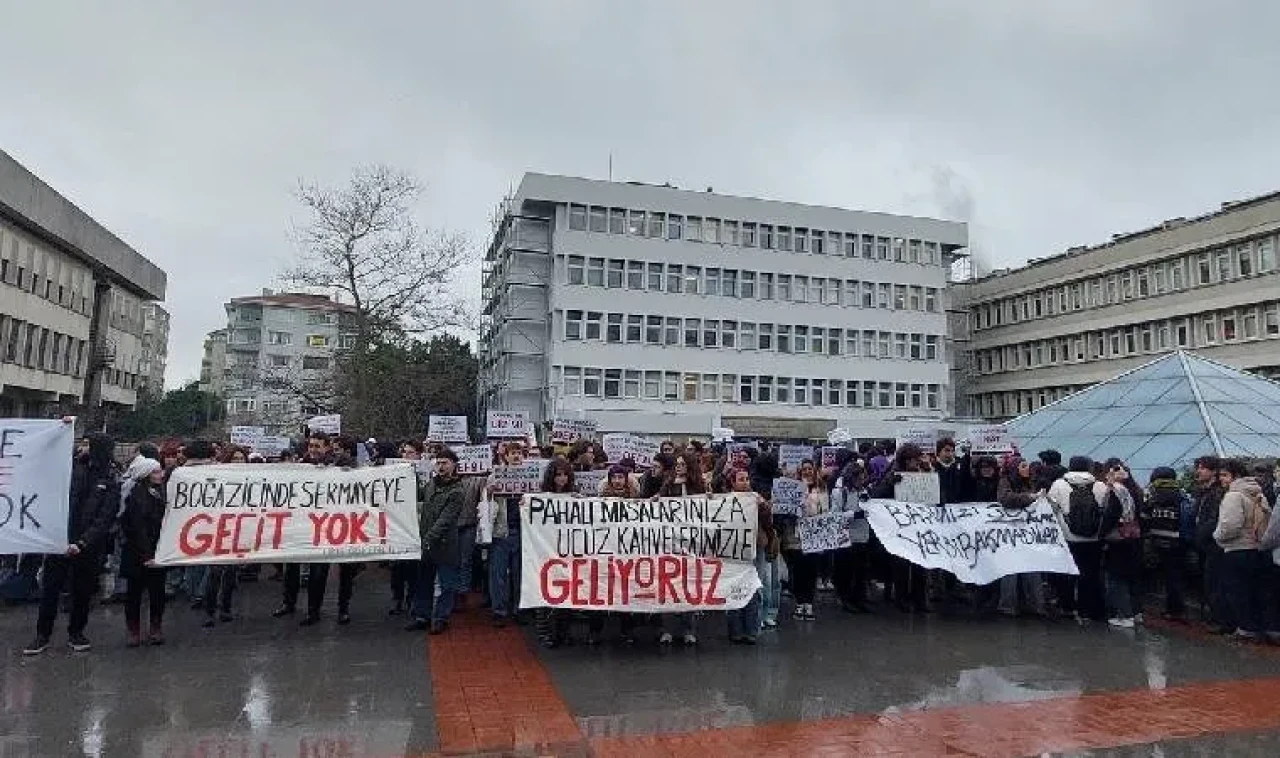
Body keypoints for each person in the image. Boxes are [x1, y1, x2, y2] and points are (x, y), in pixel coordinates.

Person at [25, 428, 118, 656]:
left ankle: (76, 632)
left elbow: (105, 517)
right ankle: (42, 634)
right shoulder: (70, 468)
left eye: (87, 444)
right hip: (59, 541)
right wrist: (61, 429)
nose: (82, 448)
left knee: (82, 591)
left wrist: (83, 542)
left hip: (86, 546)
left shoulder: (110, 478)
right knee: (50, 590)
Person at [408, 448, 464, 634]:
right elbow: (419, 496)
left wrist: (429, 537)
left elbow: (446, 519)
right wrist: (409, 477)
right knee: (423, 581)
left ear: (454, 465)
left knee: (447, 583)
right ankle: (422, 616)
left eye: (445, 463)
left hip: (445, 544)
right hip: (426, 542)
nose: (441, 466)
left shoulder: (457, 490)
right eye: (438, 462)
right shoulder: (432, 483)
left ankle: (441, 617)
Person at [1213, 459, 1269, 640]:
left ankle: (1245, 628)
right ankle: (1257, 626)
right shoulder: (1258, 494)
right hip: (1257, 547)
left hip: (1237, 548)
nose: (1221, 479)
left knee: (1237, 591)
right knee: (1254, 590)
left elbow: (1230, 526)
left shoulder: (1234, 495)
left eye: (1224, 475)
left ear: (1235, 476)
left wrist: (1218, 537)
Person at [1046, 456, 1106, 622]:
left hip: (1068, 537)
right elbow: (1105, 509)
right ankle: (1088, 609)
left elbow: (1050, 507)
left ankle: (1068, 607)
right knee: (1090, 574)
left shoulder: (1059, 484)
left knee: (1068, 572)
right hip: (1094, 538)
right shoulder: (1100, 485)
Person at [871, 444, 930, 614]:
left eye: (915, 459)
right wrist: (890, 483)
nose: (913, 463)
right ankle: (901, 598)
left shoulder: (924, 473)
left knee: (920, 565)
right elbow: (876, 495)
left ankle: (919, 599)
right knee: (901, 565)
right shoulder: (893, 474)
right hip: (900, 527)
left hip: (919, 526)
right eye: (910, 459)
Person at [657, 453, 705, 644]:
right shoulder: (668, 484)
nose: (679, 467)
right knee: (668, 585)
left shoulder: (698, 486)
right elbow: (659, 502)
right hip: (670, 542)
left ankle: (688, 629)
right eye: (677, 464)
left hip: (691, 543)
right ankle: (667, 629)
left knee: (690, 586)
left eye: (683, 464)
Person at [119, 458, 168, 646]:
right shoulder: (134, 495)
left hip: (158, 549)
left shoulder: (162, 493)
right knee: (134, 593)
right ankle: (134, 630)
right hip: (137, 552)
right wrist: (147, 554)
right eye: (155, 472)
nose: (160, 475)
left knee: (157, 592)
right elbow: (136, 527)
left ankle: (156, 626)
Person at [995, 457, 1046, 617]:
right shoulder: (1005, 482)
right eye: (1023, 466)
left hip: (1027, 533)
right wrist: (1030, 497)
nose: (1027, 469)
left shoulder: (1029, 482)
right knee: (1011, 570)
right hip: (1010, 532)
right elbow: (1005, 499)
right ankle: (1008, 605)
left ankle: (1036, 605)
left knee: (1032, 570)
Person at [487, 444, 528, 629]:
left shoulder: (532, 477)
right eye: (513, 453)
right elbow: (485, 499)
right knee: (498, 573)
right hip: (502, 530)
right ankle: (499, 611)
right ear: (506, 456)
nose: (517, 456)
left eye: (519, 453)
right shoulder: (496, 476)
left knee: (520, 574)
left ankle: (519, 609)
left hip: (524, 531)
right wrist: (490, 490)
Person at [1144, 467, 1193, 621]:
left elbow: (1145, 515)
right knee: (1176, 575)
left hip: (1159, 539)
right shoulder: (1181, 494)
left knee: (1168, 575)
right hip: (1178, 540)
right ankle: (1176, 609)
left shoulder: (1153, 494)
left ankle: (1173, 609)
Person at [1099, 459, 1143, 629]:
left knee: (1117, 578)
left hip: (1117, 538)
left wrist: (1101, 535)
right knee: (1130, 576)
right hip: (1132, 537)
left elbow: (1110, 515)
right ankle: (1136, 612)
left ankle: (1124, 615)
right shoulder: (1132, 490)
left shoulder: (1116, 491)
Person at [726, 468, 768, 644]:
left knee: (753, 589)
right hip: (733, 550)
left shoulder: (756, 499)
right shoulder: (726, 501)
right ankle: (736, 631)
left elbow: (768, 522)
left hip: (754, 548)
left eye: (747, 478)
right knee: (734, 589)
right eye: (741, 479)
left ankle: (751, 630)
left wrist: (763, 507)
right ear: (733, 483)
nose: (746, 482)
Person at [784, 459, 829, 621]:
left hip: (814, 538)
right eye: (804, 469)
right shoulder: (792, 490)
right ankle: (799, 603)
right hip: (795, 538)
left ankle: (808, 604)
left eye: (810, 469)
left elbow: (825, 512)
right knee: (798, 572)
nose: (807, 472)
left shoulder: (822, 489)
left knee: (811, 571)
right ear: (799, 471)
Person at [1191, 456, 1231, 632]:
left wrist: (1200, 536)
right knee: (1210, 582)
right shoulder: (1204, 492)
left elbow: (1213, 520)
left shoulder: (1217, 494)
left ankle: (1221, 620)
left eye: (1203, 468)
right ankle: (1215, 617)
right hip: (1206, 545)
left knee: (1216, 583)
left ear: (1213, 471)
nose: (1198, 471)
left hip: (1215, 545)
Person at [830, 458, 871, 614]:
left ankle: (859, 599)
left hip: (862, 536)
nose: (862, 480)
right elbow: (835, 515)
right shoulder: (840, 492)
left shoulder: (864, 491)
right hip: (846, 537)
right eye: (859, 477)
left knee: (860, 571)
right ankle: (845, 598)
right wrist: (855, 514)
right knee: (846, 571)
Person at [750, 452, 784, 629]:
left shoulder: (778, 483)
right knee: (768, 577)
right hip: (765, 534)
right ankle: (766, 612)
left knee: (768, 577)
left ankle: (766, 613)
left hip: (769, 533)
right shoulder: (755, 484)